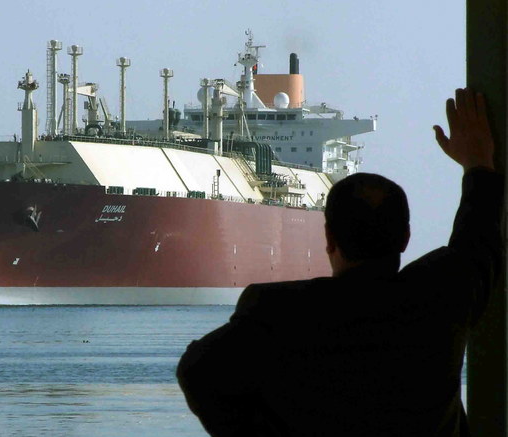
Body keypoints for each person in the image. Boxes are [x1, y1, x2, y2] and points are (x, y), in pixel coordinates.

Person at [177, 88, 502, 437]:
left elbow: (197, 372)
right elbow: (478, 236)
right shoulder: (441, 294)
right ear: (406, 236)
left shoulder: (277, 311)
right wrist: (478, 164)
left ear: (329, 238)